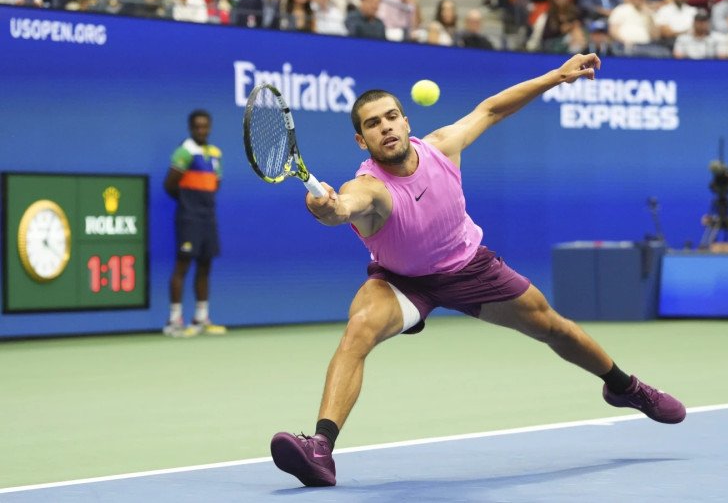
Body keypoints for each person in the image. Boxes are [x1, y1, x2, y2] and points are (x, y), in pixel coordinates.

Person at [270, 53, 686, 488]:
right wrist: (324, 207)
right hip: (402, 281)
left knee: (554, 328)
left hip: (468, 267)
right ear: (362, 141)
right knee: (358, 330)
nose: (386, 127)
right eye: (373, 124)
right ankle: (320, 449)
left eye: (392, 116)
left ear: (406, 122)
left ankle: (624, 387)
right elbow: (342, 209)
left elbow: (493, 107)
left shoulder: (443, 146)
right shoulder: (368, 187)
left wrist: (557, 76)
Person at [163, 110, 227, 338]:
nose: (202, 130)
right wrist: (188, 203)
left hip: (208, 218)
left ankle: (201, 318)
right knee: (182, 266)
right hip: (189, 218)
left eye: (205, 126)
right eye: (197, 127)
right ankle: (174, 321)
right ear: (191, 128)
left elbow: (214, 185)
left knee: (205, 266)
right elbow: (169, 184)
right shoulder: (184, 152)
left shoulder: (215, 153)